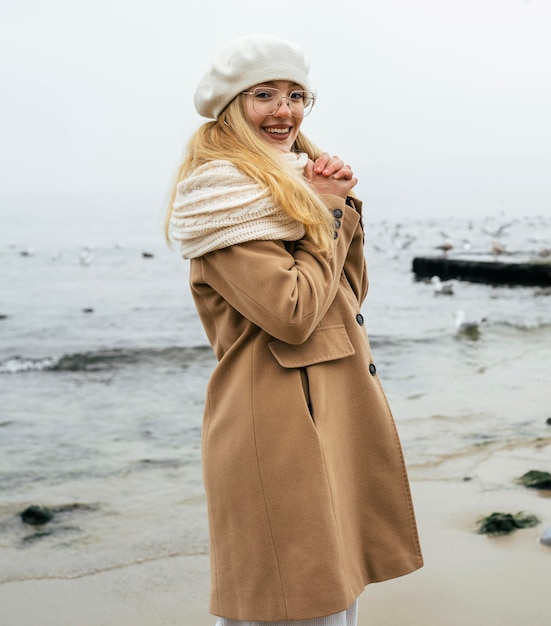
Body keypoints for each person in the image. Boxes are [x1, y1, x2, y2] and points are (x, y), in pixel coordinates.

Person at [165, 34, 423, 626]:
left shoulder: (289, 184)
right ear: (232, 105)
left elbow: (349, 295)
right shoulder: (221, 196)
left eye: (296, 95)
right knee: (293, 602)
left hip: (330, 409)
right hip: (278, 423)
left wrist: (339, 208)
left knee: (334, 600)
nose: (285, 111)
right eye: (265, 95)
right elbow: (293, 312)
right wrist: (325, 210)